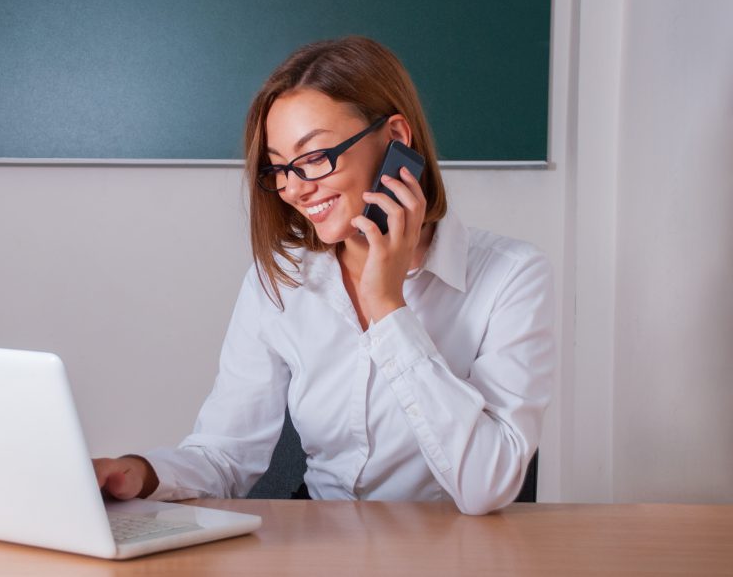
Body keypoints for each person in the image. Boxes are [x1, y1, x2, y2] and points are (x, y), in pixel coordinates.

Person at [93, 36, 555, 515]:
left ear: (396, 138)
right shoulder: (282, 280)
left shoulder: (511, 277)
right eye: (279, 167)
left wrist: (387, 308)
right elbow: (224, 455)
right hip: (318, 545)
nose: (294, 187)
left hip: (449, 552)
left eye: (314, 157)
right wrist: (138, 473)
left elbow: (487, 486)